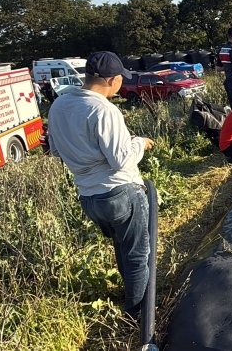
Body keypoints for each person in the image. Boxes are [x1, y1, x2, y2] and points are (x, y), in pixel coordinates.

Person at [47, 51, 155, 318]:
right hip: (120, 192)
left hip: (89, 198)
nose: (120, 84)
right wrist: (139, 142)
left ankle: (130, 296)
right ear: (111, 80)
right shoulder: (104, 109)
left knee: (122, 246)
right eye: (120, 79)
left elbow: (56, 151)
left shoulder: (59, 106)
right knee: (138, 255)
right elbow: (120, 160)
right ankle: (138, 316)